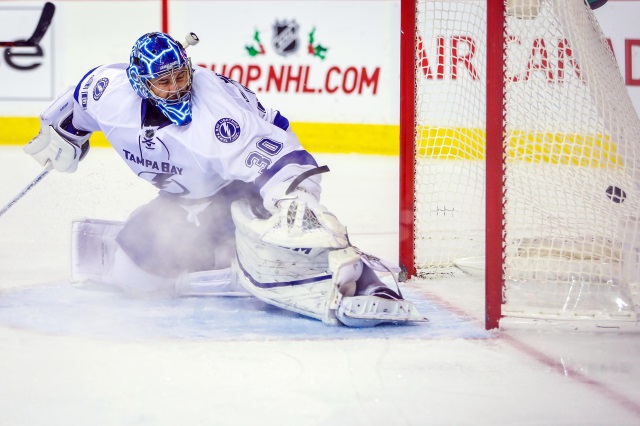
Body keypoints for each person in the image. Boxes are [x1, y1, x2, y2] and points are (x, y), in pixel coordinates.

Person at [24, 32, 425, 327]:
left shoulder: (216, 118)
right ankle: (233, 267)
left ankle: (364, 275)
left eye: (181, 76)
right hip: (181, 206)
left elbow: (281, 158)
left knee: (285, 240)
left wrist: (295, 201)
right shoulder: (108, 92)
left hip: (239, 192)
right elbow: (76, 103)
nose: (177, 88)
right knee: (135, 278)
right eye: (163, 82)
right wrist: (59, 135)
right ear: (138, 83)